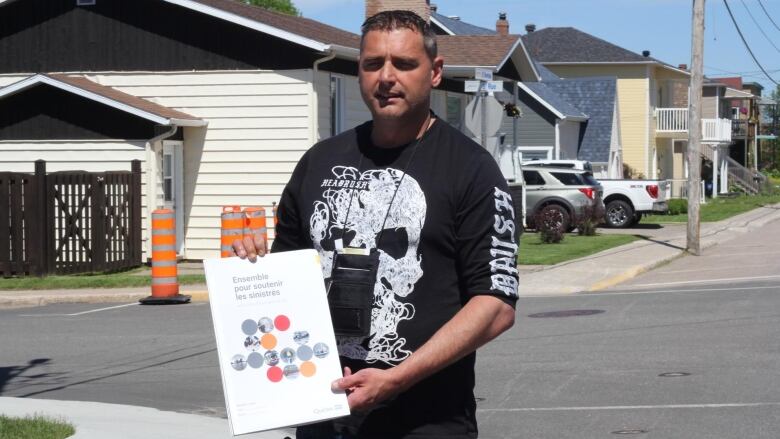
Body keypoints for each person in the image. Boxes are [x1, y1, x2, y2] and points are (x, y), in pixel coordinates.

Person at [233, 10, 518, 438]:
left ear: (435, 72)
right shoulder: (319, 162)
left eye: (404, 64)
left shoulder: (472, 171)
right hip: (323, 416)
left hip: (426, 421)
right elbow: (286, 285)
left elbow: (495, 306)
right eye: (373, 64)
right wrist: (256, 263)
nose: (386, 77)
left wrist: (397, 378)